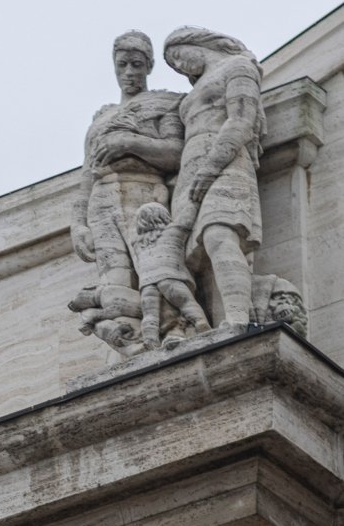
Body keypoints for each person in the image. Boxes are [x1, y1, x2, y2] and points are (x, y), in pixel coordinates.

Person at [70, 32, 184, 347]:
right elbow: (86, 174)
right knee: (114, 278)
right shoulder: (101, 119)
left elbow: (176, 152)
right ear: (114, 67)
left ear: (149, 66)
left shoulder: (165, 104)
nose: (130, 72)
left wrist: (129, 142)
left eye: (137, 64)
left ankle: (175, 327)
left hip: (144, 190)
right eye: (123, 65)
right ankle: (132, 342)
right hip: (101, 200)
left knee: (155, 271)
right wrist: (78, 223)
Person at [163, 27, 265, 331]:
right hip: (189, 170)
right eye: (173, 65)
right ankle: (214, 324)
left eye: (178, 56)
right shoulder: (190, 95)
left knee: (219, 233)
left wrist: (211, 166)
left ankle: (238, 320)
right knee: (198, 253)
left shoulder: (238, 66)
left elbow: (241, 119)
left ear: (198, 43)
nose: (180, 66)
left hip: (225, 161)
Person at [129, 202, 209, 349]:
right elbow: (187, 219)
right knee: (187, 304)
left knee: (150, 315)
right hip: (170, 277)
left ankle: (150, 340)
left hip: (147, 283)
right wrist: (195, 201)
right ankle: (201, 324)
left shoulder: (137, 243)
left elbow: (129, 231)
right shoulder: (173, 232)